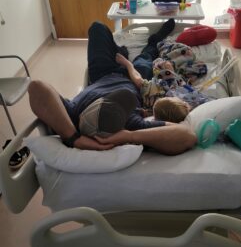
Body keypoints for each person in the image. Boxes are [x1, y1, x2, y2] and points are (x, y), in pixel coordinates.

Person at [28, 20, 197, 155]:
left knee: (97, 27)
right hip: (136, 81)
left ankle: (121, 52)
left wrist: (74, 138)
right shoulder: (130, 124)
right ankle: (155, 39)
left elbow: (36, 88)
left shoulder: (74, 115)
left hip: (101, 75)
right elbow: (188, 135)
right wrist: (130, 135)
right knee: (147, 55)